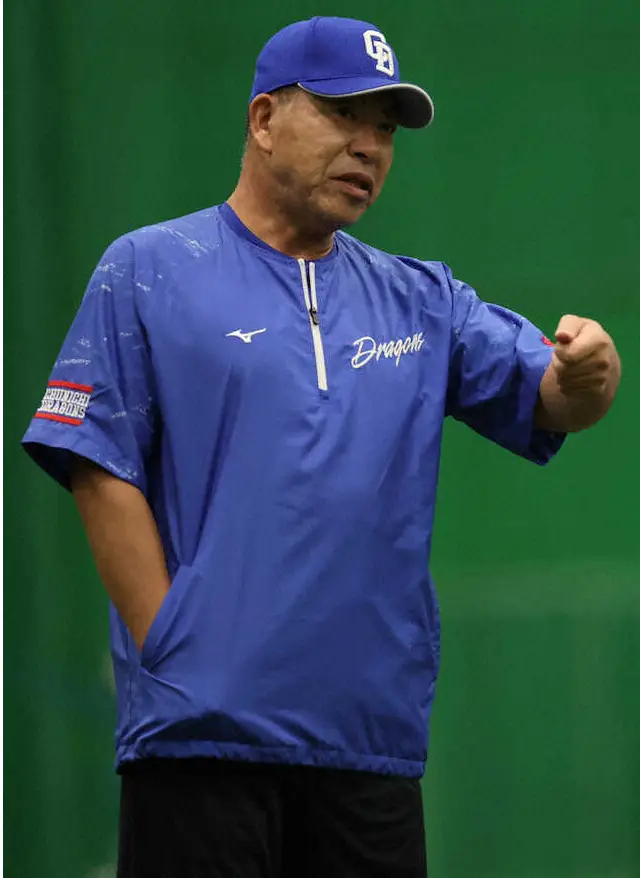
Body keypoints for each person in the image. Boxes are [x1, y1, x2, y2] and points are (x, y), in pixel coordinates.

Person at [22, 15, 621, 878]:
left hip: (367, 751)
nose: (368, 146)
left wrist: (591, 371)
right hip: (201, 747)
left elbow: (554, 397)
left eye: (385, 129)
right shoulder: (147, 268)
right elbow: (96, 462)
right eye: (344, 114)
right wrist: (173, 649)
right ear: (265, 120)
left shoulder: (423, 301)